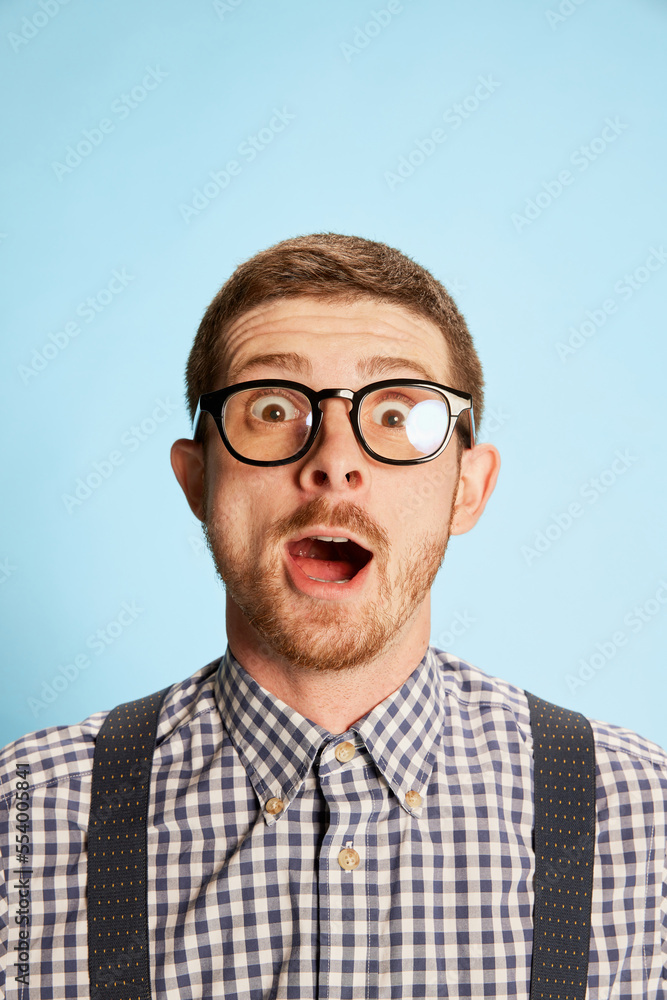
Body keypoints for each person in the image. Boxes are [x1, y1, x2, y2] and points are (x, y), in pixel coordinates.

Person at [1, 233, 665, 998]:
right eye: (274, 408)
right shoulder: (30, 812)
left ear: (466, 489)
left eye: (395, 415)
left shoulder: (637, 817)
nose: (333, 460)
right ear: (196, 480)